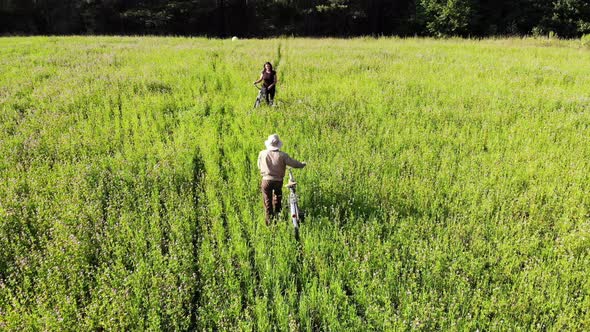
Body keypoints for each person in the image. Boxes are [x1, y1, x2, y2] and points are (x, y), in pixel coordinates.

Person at [258, 134, 306, 225]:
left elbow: (259, 165)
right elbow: (293, 163)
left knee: (267, 200)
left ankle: (269, 221)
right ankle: (278, 215)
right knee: (277, 197)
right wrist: (302, 164)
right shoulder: (283, 155)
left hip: (266, 180)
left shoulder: (262, 153)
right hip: (278, 181)